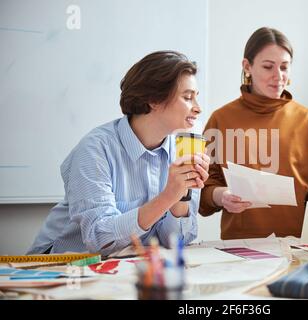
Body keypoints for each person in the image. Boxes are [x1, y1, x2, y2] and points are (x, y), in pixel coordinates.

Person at [28, 51, 210, 255]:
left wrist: (179, 197)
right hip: (57, 268)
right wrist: (167, 197)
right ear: (153, 100)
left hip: (125, 268)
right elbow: (99, 239)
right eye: (188, 97)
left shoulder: (182, 150)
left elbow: (177, 242)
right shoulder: (95, 149)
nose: (198, 108)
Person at [199, 27, 308, 240]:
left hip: (298, 246)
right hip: (238, 248)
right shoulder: (221, 120)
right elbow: (201, 186)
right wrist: (221, 196)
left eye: (284, 67)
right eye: (268, 67)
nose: (278, 76)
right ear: (247, 66)